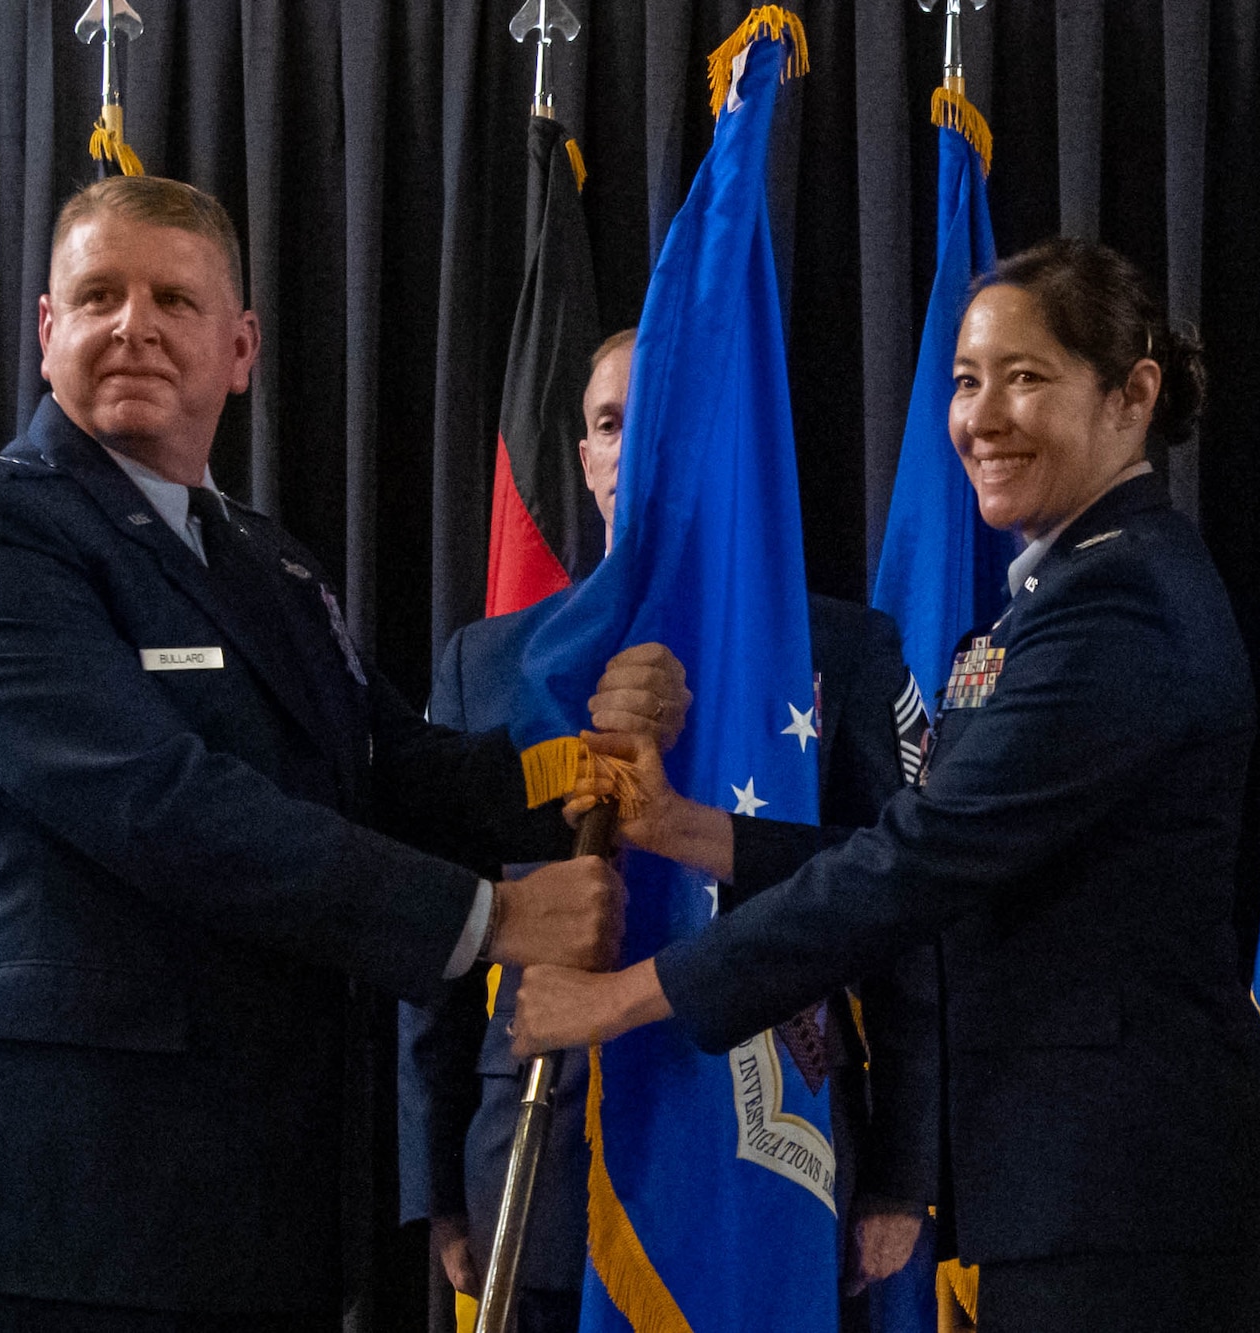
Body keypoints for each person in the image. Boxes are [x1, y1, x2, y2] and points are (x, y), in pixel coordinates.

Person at [0, 176, 686, 1332]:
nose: (134, 326)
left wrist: (583, 771)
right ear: (47, 330)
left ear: (240, 347)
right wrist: (487, 921)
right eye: (97, 296)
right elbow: (162, 804)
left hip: (268, 1215)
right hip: (67, 1221)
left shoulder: (271, 563)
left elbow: (392, 768)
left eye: (175, 300)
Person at [512, 237, 1260, 1329]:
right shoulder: (1063, 588)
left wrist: (623, 998)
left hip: (1118, 1193)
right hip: (1065, 1183)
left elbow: (918, 865)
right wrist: (688, 831)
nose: (980, 417)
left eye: (1025, 377)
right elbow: (940, 843)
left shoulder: (1121, 607)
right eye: (967, 381)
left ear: (1132, 394)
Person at [399, 328, 941, 1332]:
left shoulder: (844, 650)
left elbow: (903, 916)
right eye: (611, 425)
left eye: (668, 425)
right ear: (586, 459)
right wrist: (433, 1178)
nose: (638, 450)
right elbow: (443, 926)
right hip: (544, 1148)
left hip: (765, 1155)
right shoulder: (488, 662)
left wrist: (902, 1176)